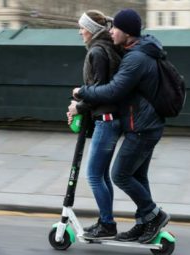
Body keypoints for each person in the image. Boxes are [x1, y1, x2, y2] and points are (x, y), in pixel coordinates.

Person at [72, 9, 170, 244]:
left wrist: (80, 97)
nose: (111, 31)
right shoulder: (133, 51)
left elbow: (111, 91)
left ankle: (151, 216)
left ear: (126, 32)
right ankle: (143, 222)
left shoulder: (133, 57)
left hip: (141, 126)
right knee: (136, 175)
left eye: (115, 28)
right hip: (144, 122)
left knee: (116, 175)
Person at [67, 10, 122, 239]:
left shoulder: (98, 52)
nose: (80, 32)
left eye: (82, 27)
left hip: (106, 121)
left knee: (93, 175)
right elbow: (98, 89)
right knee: (102, 175)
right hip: (110, 119)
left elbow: (100, 92)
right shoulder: (105, 48)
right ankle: (105, 221)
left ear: (90, 29)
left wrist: (78, 107)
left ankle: (107, 224)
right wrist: (79, 101)